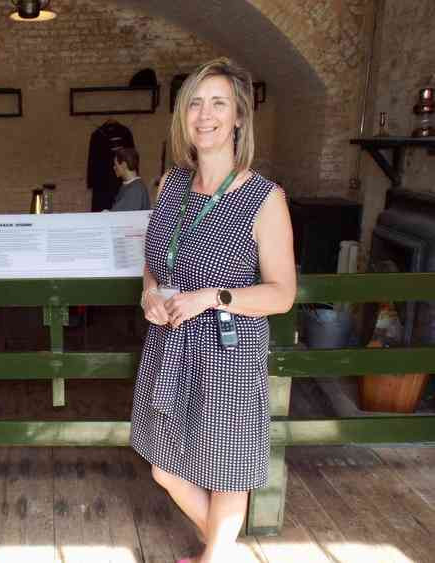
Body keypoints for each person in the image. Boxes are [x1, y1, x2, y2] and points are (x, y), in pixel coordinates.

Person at [130, 58, 296, 562]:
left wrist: (214, 296)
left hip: (229, 351)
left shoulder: (264, 198)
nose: (205, 115)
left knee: (225, 469)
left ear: (239, 117)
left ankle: (217, 555)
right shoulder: (170, 187)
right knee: (165, 466)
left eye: (218, 103)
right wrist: (149, 295)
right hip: (171, 344)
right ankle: (224, 553)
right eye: (195, 104)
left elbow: (282, 293)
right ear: (183, 117)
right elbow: (155, 261)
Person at [110, 147, 151, 211]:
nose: (114, 168)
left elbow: (119, 215)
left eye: (116, 165)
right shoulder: (131, 186)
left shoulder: (135, 189)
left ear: (124, 165)